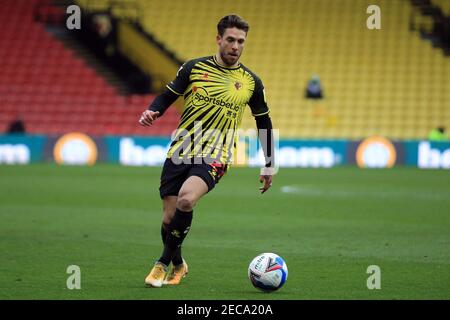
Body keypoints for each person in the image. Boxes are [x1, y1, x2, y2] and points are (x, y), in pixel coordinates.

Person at [138, 14, 275, 288]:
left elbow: (264, 121)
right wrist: (155, 110)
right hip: (181, 149)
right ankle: (179, 263)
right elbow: (167, 95)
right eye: (231, 40)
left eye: (241, 41)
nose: (236, 46)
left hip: (217, 153)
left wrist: (269, 163)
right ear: (219, 39)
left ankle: (160, 265)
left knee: (186, 201)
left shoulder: (251, 82)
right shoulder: (193, 68)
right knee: (168, 219)